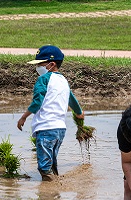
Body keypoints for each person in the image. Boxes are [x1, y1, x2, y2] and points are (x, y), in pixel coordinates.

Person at [16, 45, 83, 181]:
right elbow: (71, 99)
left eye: (40, 64)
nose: (37, 68)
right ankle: (55, 192)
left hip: (46, 127)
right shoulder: (63, 80)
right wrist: (79, 112)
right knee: (51, 161)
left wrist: (23, 117)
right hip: (60, 129)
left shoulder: (43, 79)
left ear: (51, 64)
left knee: (44, 167)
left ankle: (48, 193)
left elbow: (37, 103)